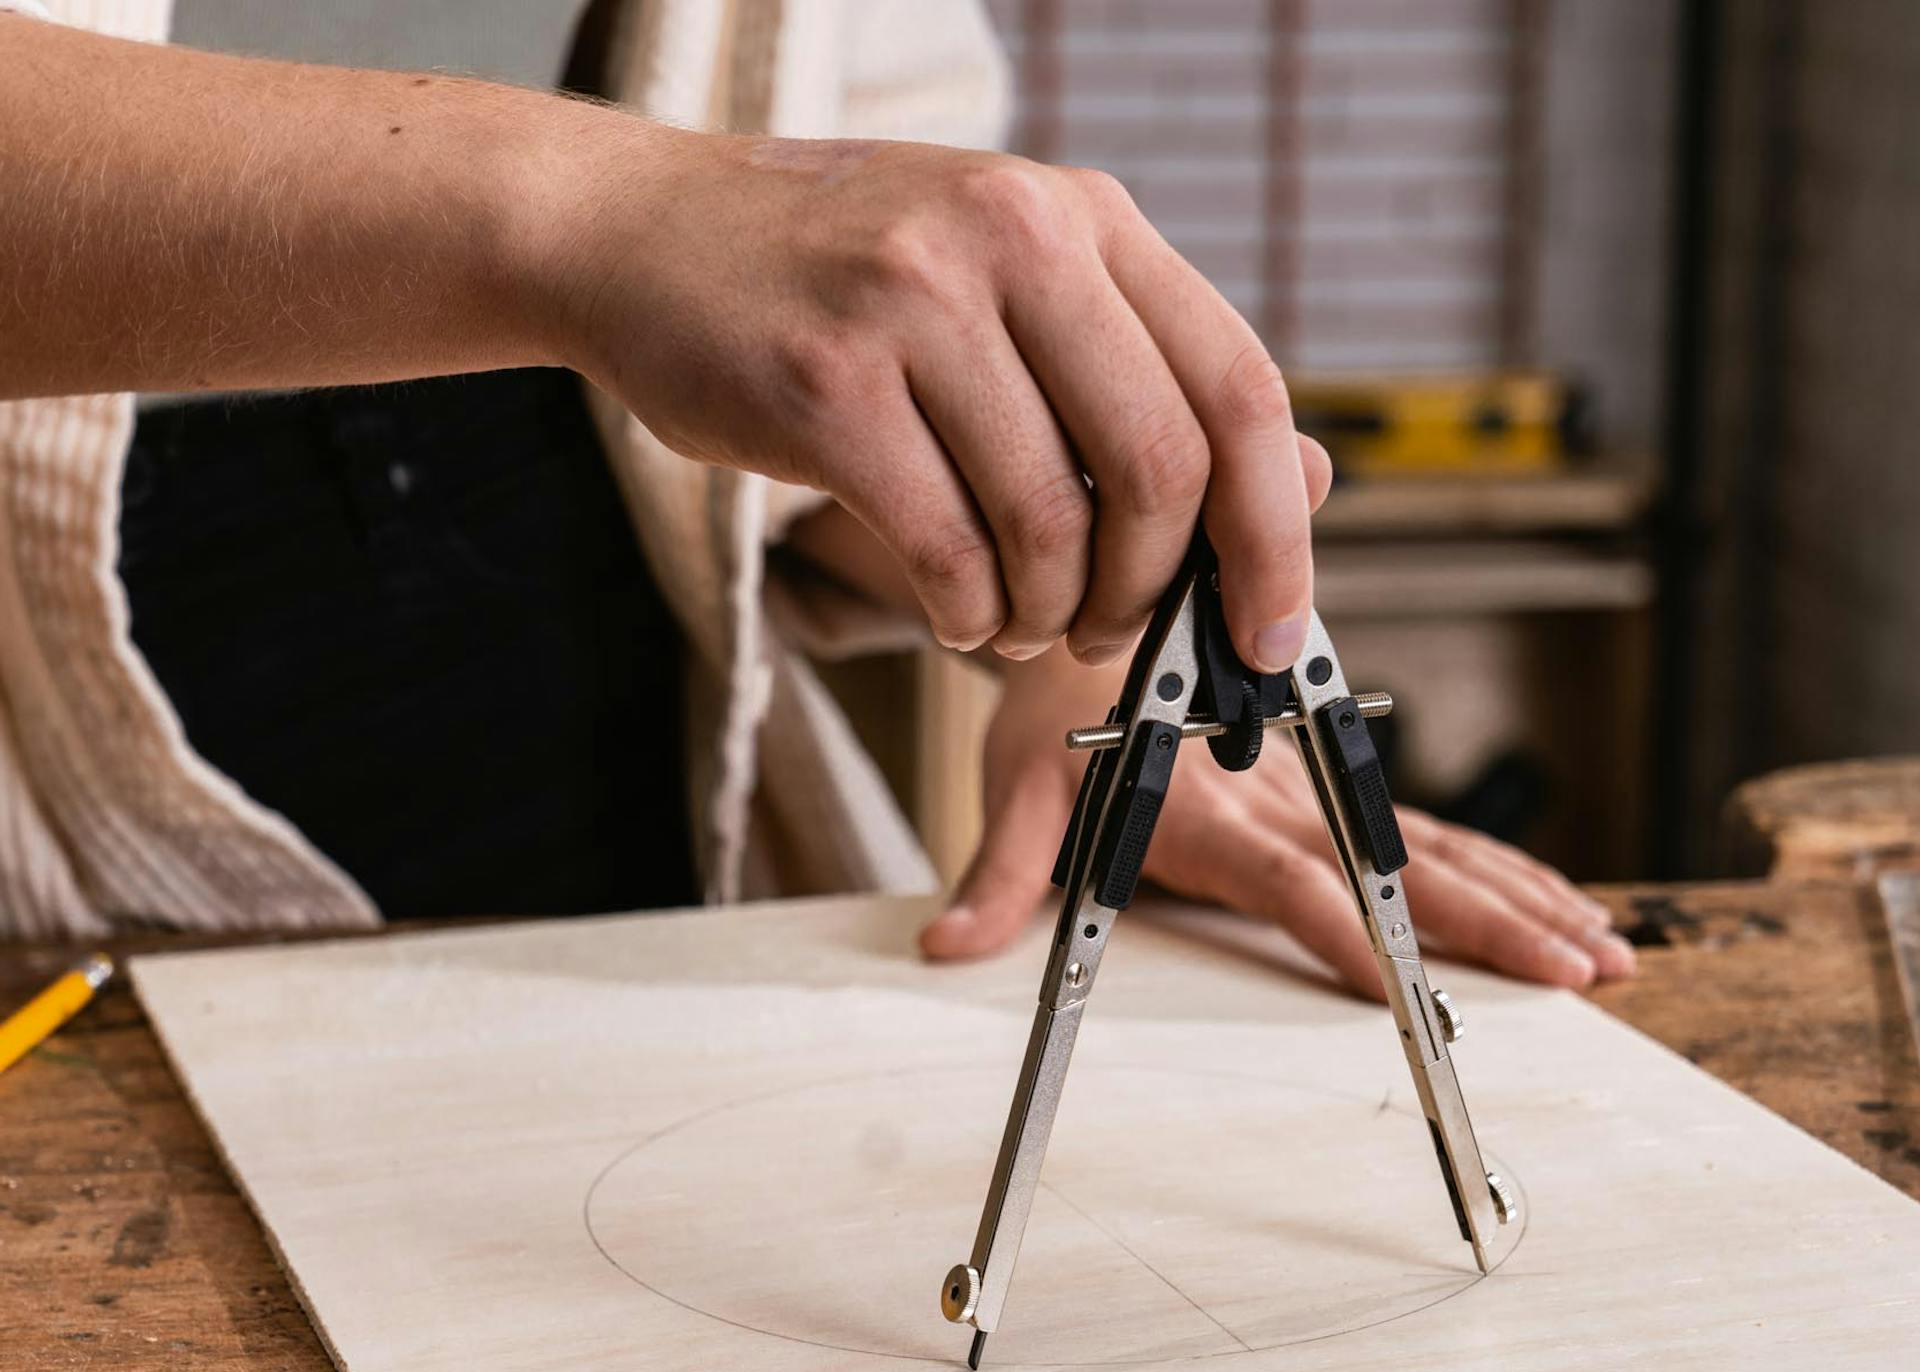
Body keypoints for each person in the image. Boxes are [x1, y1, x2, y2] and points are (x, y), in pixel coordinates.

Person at [0, 0, 1635, 998]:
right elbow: (699, 234)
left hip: (610, 868)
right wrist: (603, 214)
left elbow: (830, 333)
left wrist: (1083, 624)